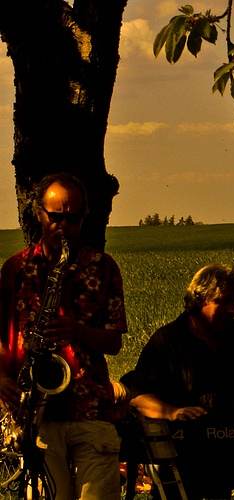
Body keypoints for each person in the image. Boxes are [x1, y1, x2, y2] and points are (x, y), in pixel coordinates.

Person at [0, 172, 128, 499]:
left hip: (91, 409)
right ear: (39, 214)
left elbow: (114, 342)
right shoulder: (14, 270)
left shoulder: (103, 267)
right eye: (56, 217)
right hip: (35, 416)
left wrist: (79, 331)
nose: (64, 226)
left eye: (74, 218)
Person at [123, 263, 234, 499]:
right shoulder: (167, 340)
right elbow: (139, 397)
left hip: (232, 450)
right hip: (182, 455)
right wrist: (173, 412)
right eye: (223, 302)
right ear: (199, 300)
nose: (232, 309)